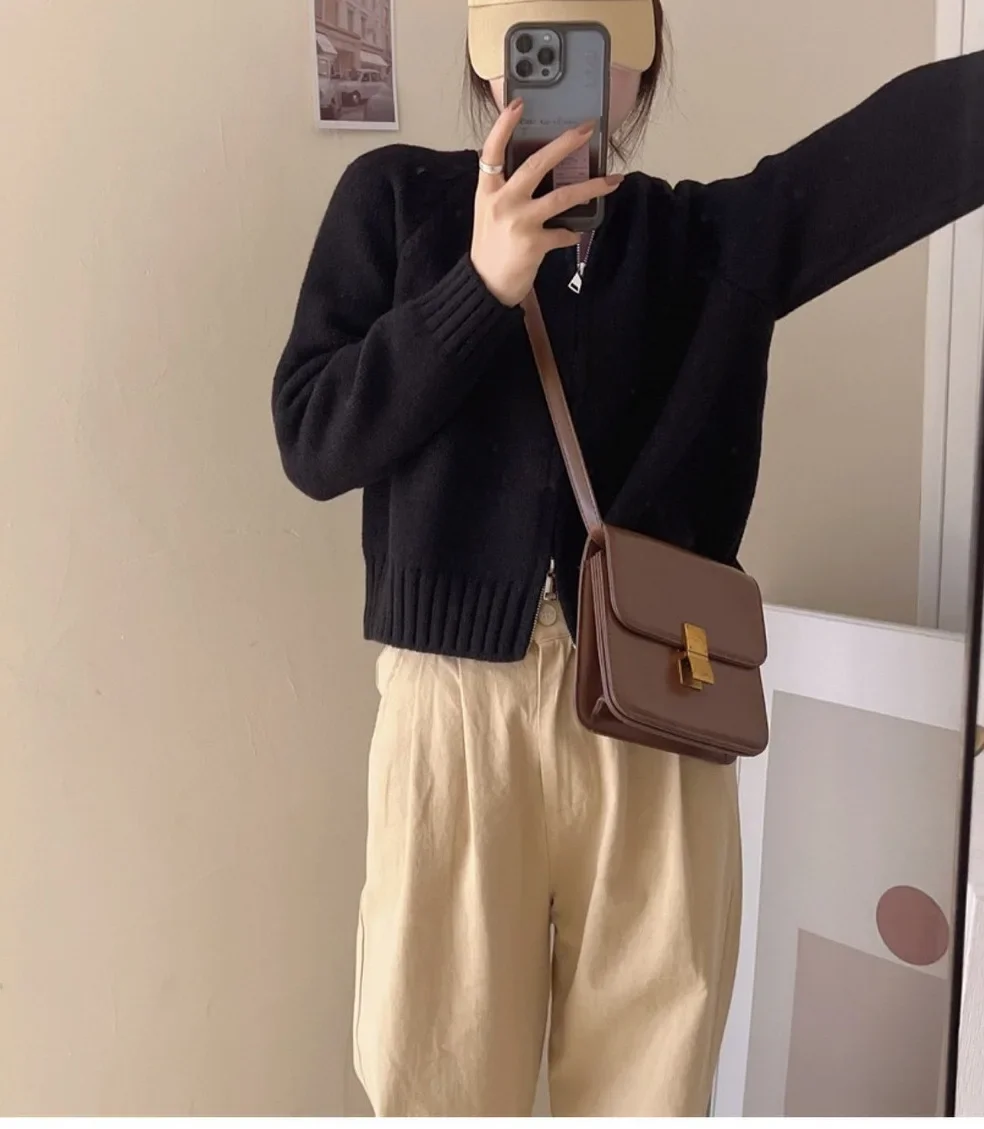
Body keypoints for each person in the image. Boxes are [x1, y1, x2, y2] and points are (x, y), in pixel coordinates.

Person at [272, 0, 984, 1115]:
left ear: (640, 68)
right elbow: (314, 440)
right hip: (457, 718)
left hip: (660, 706)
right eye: (533, 35)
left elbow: (894, 152)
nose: (562, 64)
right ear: (487, 57)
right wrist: (477, 287)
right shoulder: (396, 202)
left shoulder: (704, 242)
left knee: (650, 1084)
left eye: (596, 37)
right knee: (436, 1077)